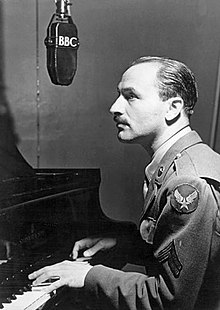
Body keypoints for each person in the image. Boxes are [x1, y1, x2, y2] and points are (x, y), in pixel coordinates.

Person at [28, 56, 220, 310]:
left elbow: (169, 300)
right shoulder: (184, 161)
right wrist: (125, 244)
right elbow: (189, 256)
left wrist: (87, 276)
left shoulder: (188, 183)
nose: (115, 107)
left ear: (173, 108)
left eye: (131, 96)